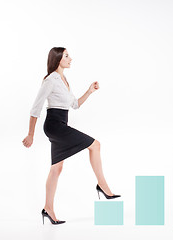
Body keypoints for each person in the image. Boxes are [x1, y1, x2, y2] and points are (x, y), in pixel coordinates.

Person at [22, 47, 120, 225]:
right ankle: (103, 186)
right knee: (95, 145)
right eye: (67, 56)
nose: (70, 58)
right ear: (58, 59)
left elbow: (74, 104)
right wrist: (30, 134)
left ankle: (48, 209)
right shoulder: (50, 80)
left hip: (61, 125)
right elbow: (35, 108)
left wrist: (89, 91)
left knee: (56, 169)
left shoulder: (64, 80)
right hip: (54, 125)